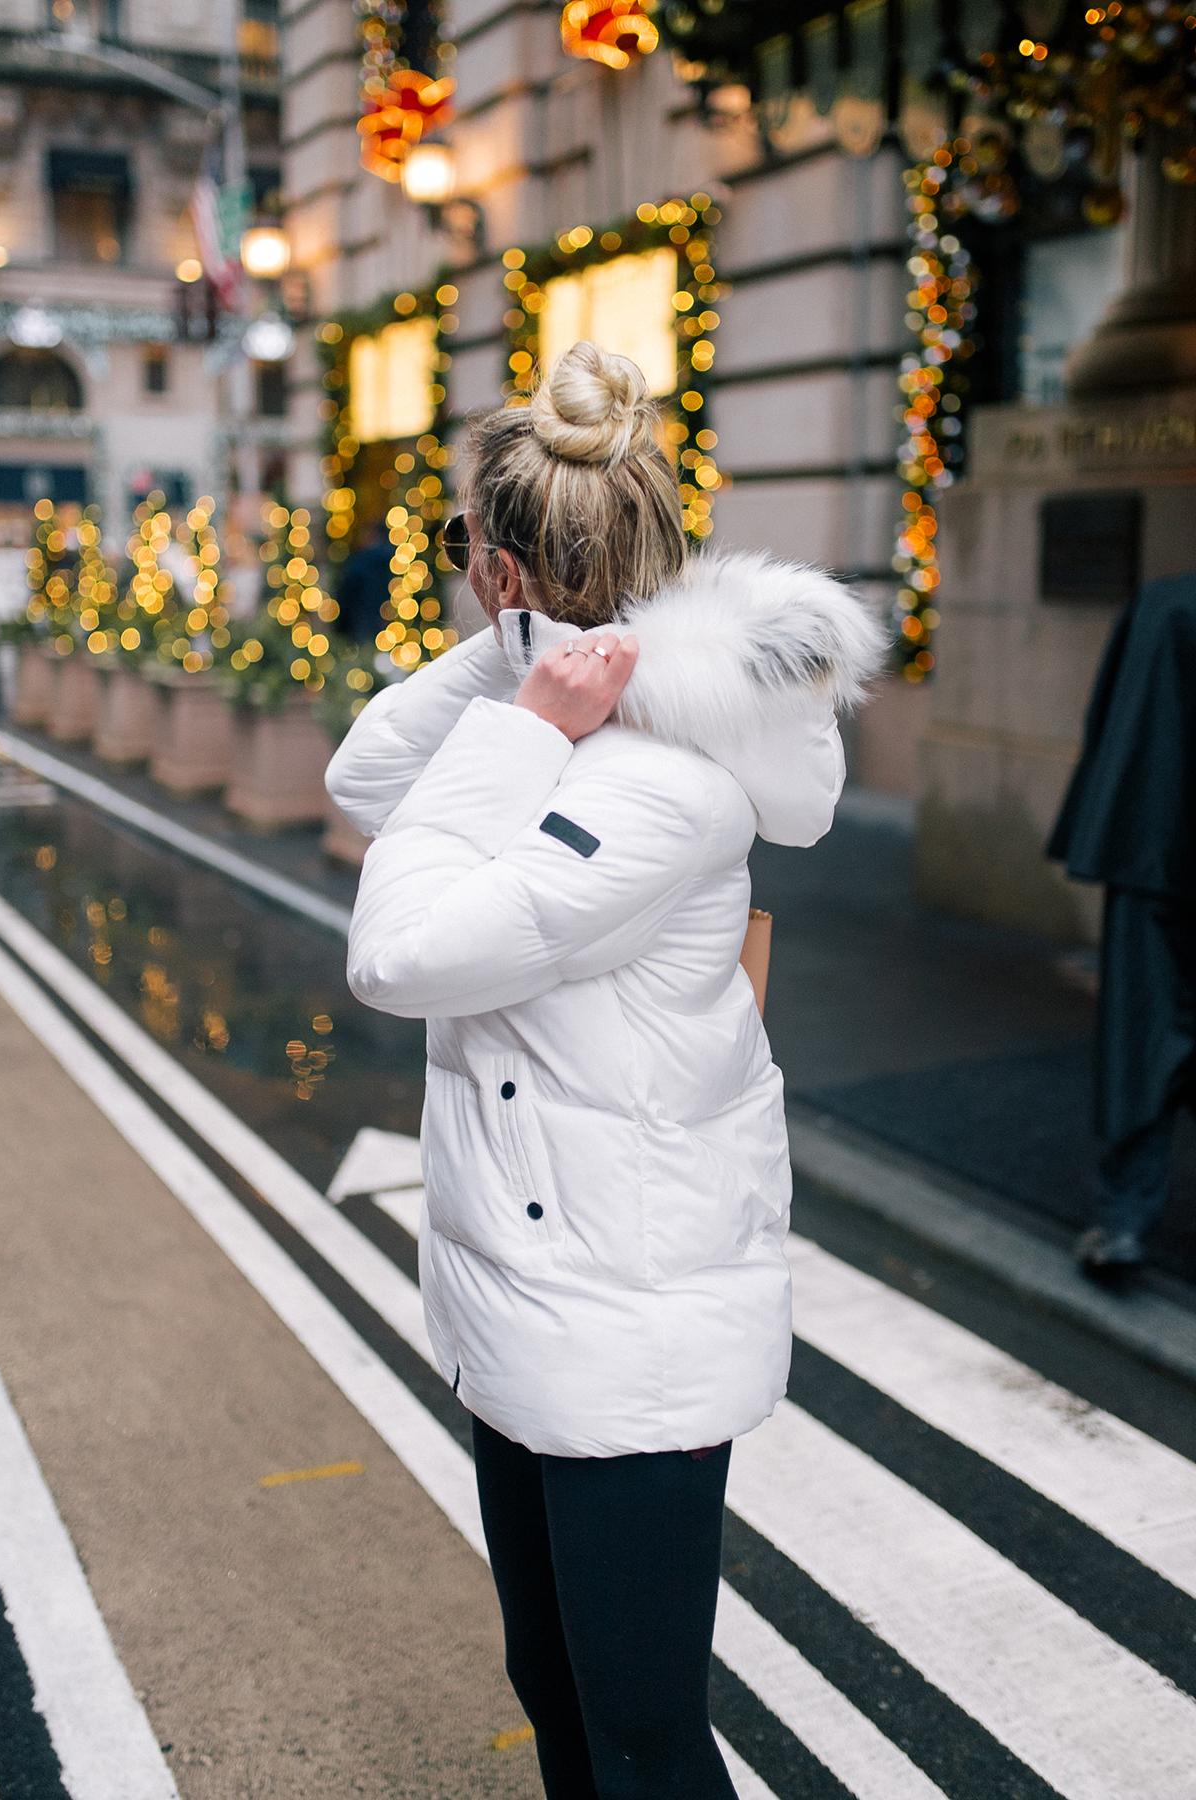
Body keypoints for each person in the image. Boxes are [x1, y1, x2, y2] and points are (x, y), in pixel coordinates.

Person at [326, 340, 885, 1798]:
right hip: (539, 1283)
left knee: (643, 1742)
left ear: (497, 566)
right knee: (558, 1692)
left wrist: (528, 703)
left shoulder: (660, 789)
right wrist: (530, 660)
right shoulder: (578, 722)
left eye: (467, 553)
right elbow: (367, 778)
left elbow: (398, 953)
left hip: (621, 1323)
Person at [1049, 571, 1196, 1289]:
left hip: (1150, 846)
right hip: (1155, 849)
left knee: (1142, 1036)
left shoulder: (1162, 603)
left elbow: (1111, 722)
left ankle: (1126, 1218)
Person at [334, 518, 392, 649]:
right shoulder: (399, 561)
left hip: (363, 621)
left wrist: (341, 627)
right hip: (390, 624)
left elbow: (346, 595)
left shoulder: (360, 563)